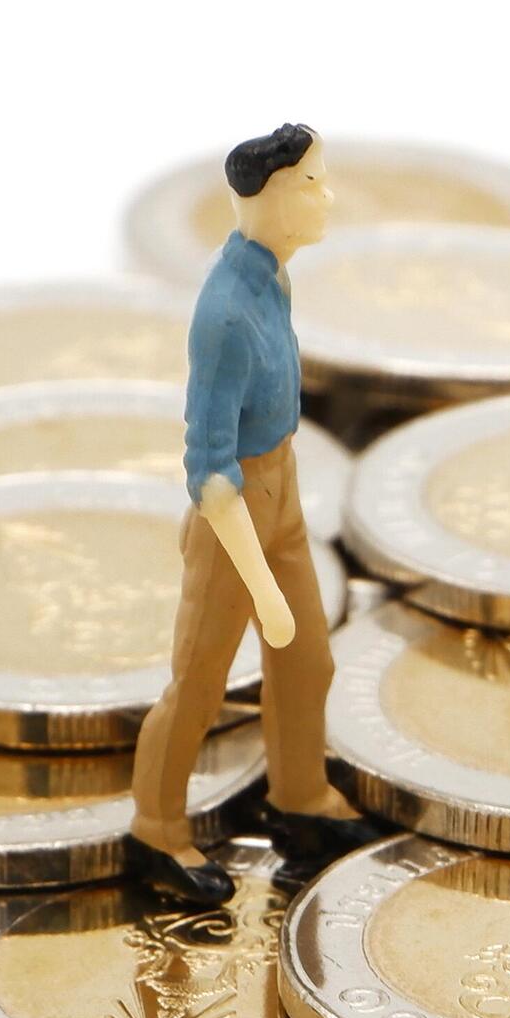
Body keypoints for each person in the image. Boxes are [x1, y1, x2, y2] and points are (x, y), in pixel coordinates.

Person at [127, 123, 385, 901]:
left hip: (283, 486)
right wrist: (262, 589)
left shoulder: (274, 275)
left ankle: (299, 797)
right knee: (200, 685)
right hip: (233, 515)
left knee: (308, 660)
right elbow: (207, 471)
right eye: (310, 185)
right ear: (270, 197)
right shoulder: (226, 316)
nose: (325, 197)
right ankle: (155, 830)